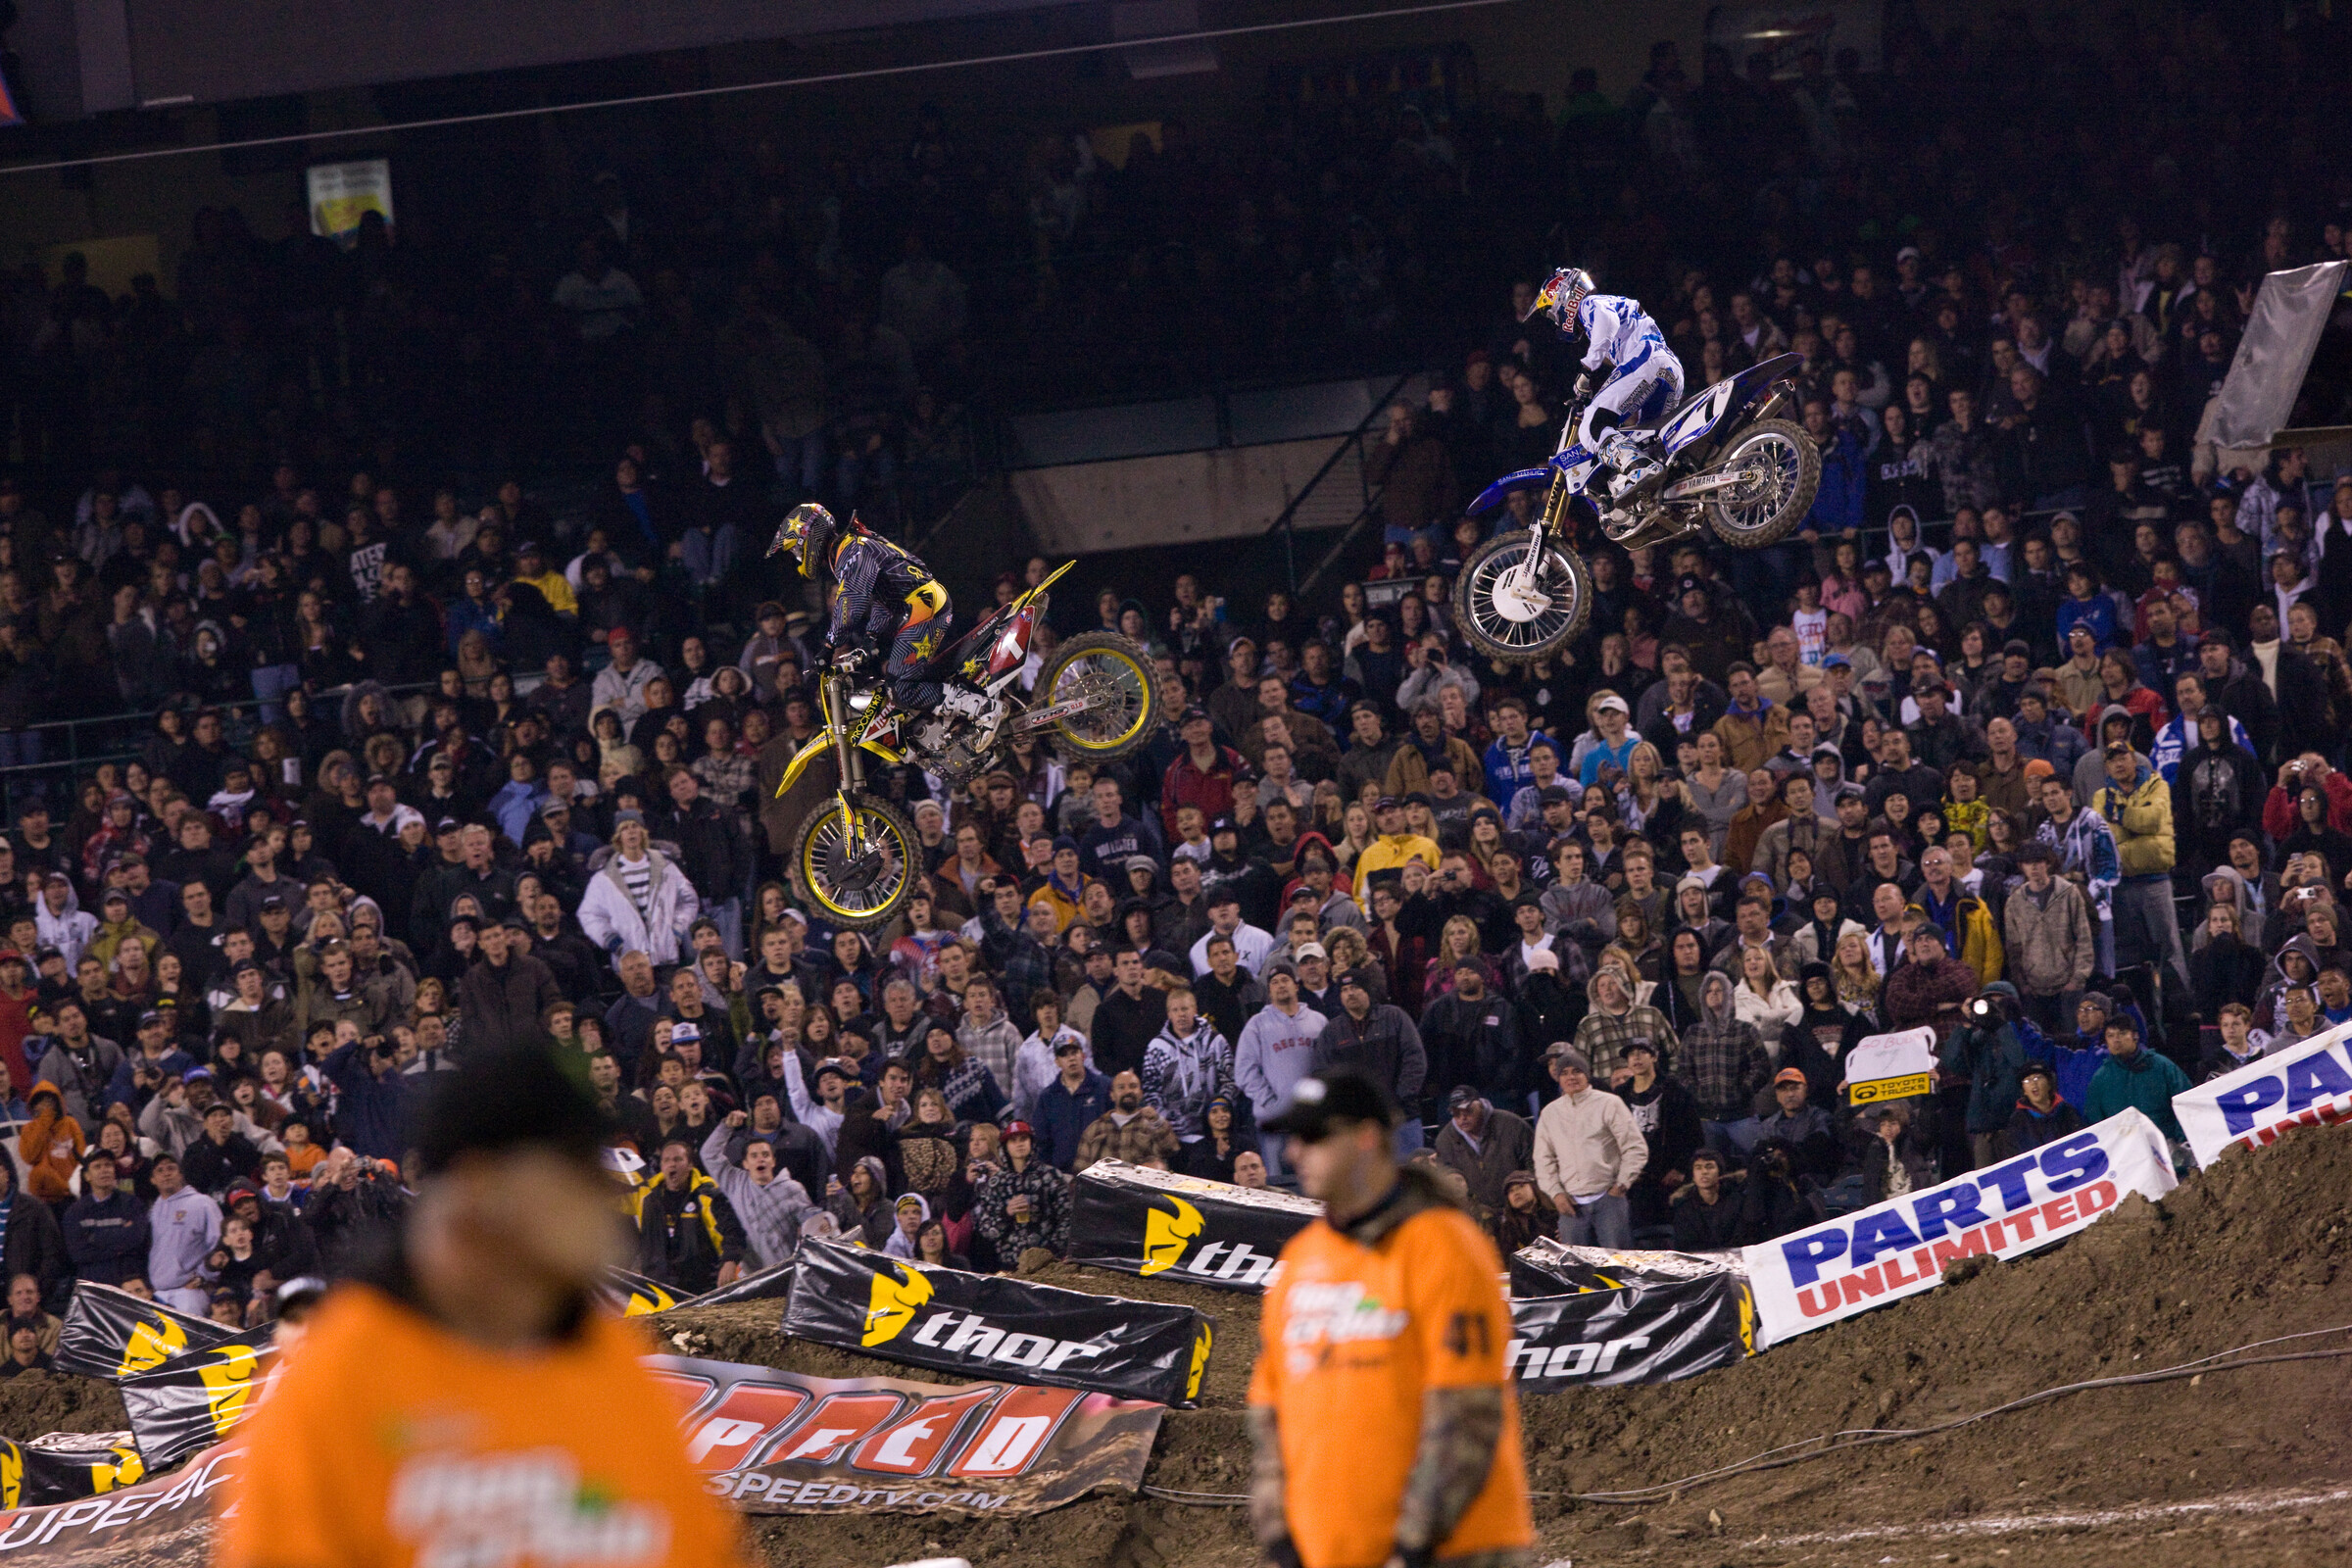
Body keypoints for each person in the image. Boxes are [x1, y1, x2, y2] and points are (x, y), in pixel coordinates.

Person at [217, 1043, 750, 1568]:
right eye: (575, 1179)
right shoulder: (336, 1388)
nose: (598, 1206)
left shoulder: (612, 1367)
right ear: (480, 1183)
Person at [1249, 1066, 1533, 1568]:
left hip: (1452, 1551)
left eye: (1314, 1137)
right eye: (1293, 1138)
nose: (1294, 1153)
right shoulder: (1300, 1259)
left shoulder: (1444, 1244)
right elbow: (1271, 1416)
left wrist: (1412, 1547)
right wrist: (1280, 1541)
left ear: (1365, 1137)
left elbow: (1467, 1411)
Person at [767, 501, 982, 724]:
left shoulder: (851, 552)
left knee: (902, 689)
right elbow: (883, 599)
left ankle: (981, 709)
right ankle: (955, 728)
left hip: (922, 606)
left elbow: (852, 604)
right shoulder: (848, 548)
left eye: (796, 548)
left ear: (810, 537)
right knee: (896, 683)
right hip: (920, 604)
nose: (798, 557)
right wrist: (871, 637)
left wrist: (828, 647)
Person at [1527, 266, 1685, 510]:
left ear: (1562, 297)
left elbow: (1606, 321)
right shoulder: (1606, 314)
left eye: (1551, 312)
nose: (1554, 319)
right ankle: (1675, 496)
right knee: (1651, 443)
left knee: (1592, 425)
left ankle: (1636, 466)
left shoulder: (1591, 305)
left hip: (1649, 357)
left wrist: (1587, 369)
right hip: (1670, 369)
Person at [1531, 1044, 1646, 1249]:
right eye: (1564, 1073)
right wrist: (1556, 1194)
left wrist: (1621, 1184)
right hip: (1570, 1205)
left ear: (1587, 1074)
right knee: (1575, 1270)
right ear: (1558, 1077)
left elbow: (1635, 1147)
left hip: (1609, 1199)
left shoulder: (1609, 1103)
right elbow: (1543, 1159)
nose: (1571, 1077)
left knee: (1619, 1266)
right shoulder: (1550, 1113)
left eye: (1576, 1071)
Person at [629, 1137, 746, 1295]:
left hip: (702, 1287)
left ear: (690, 1164)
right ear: (661, 1166)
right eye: (667, 1160)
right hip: (658, 1288)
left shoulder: (708, 1195)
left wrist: (730, 1261)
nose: (672, 1164)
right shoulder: (647, 1197)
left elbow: (734, 1231)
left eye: (678, 1159)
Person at [1432, 1087, 1535, 1219]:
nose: (1463, 1118)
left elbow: (1533, 1163)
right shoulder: (1445, 1140)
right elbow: (1447, 1181)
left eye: (1468, 1111)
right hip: (1479, 1217)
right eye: (1457, 1113)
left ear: (1479, 1105)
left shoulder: (1512, 1125)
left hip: (1522, 1210)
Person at [1668, 1148, 1743, 1250]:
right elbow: (1684, 1244)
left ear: (1719, 1173)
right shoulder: (1684, 1205)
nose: (1704, 1172)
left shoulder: (1736, 1201)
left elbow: (1741, 1239)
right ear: (1693, 1176)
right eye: (1698, 1168)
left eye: (1709, 1167)